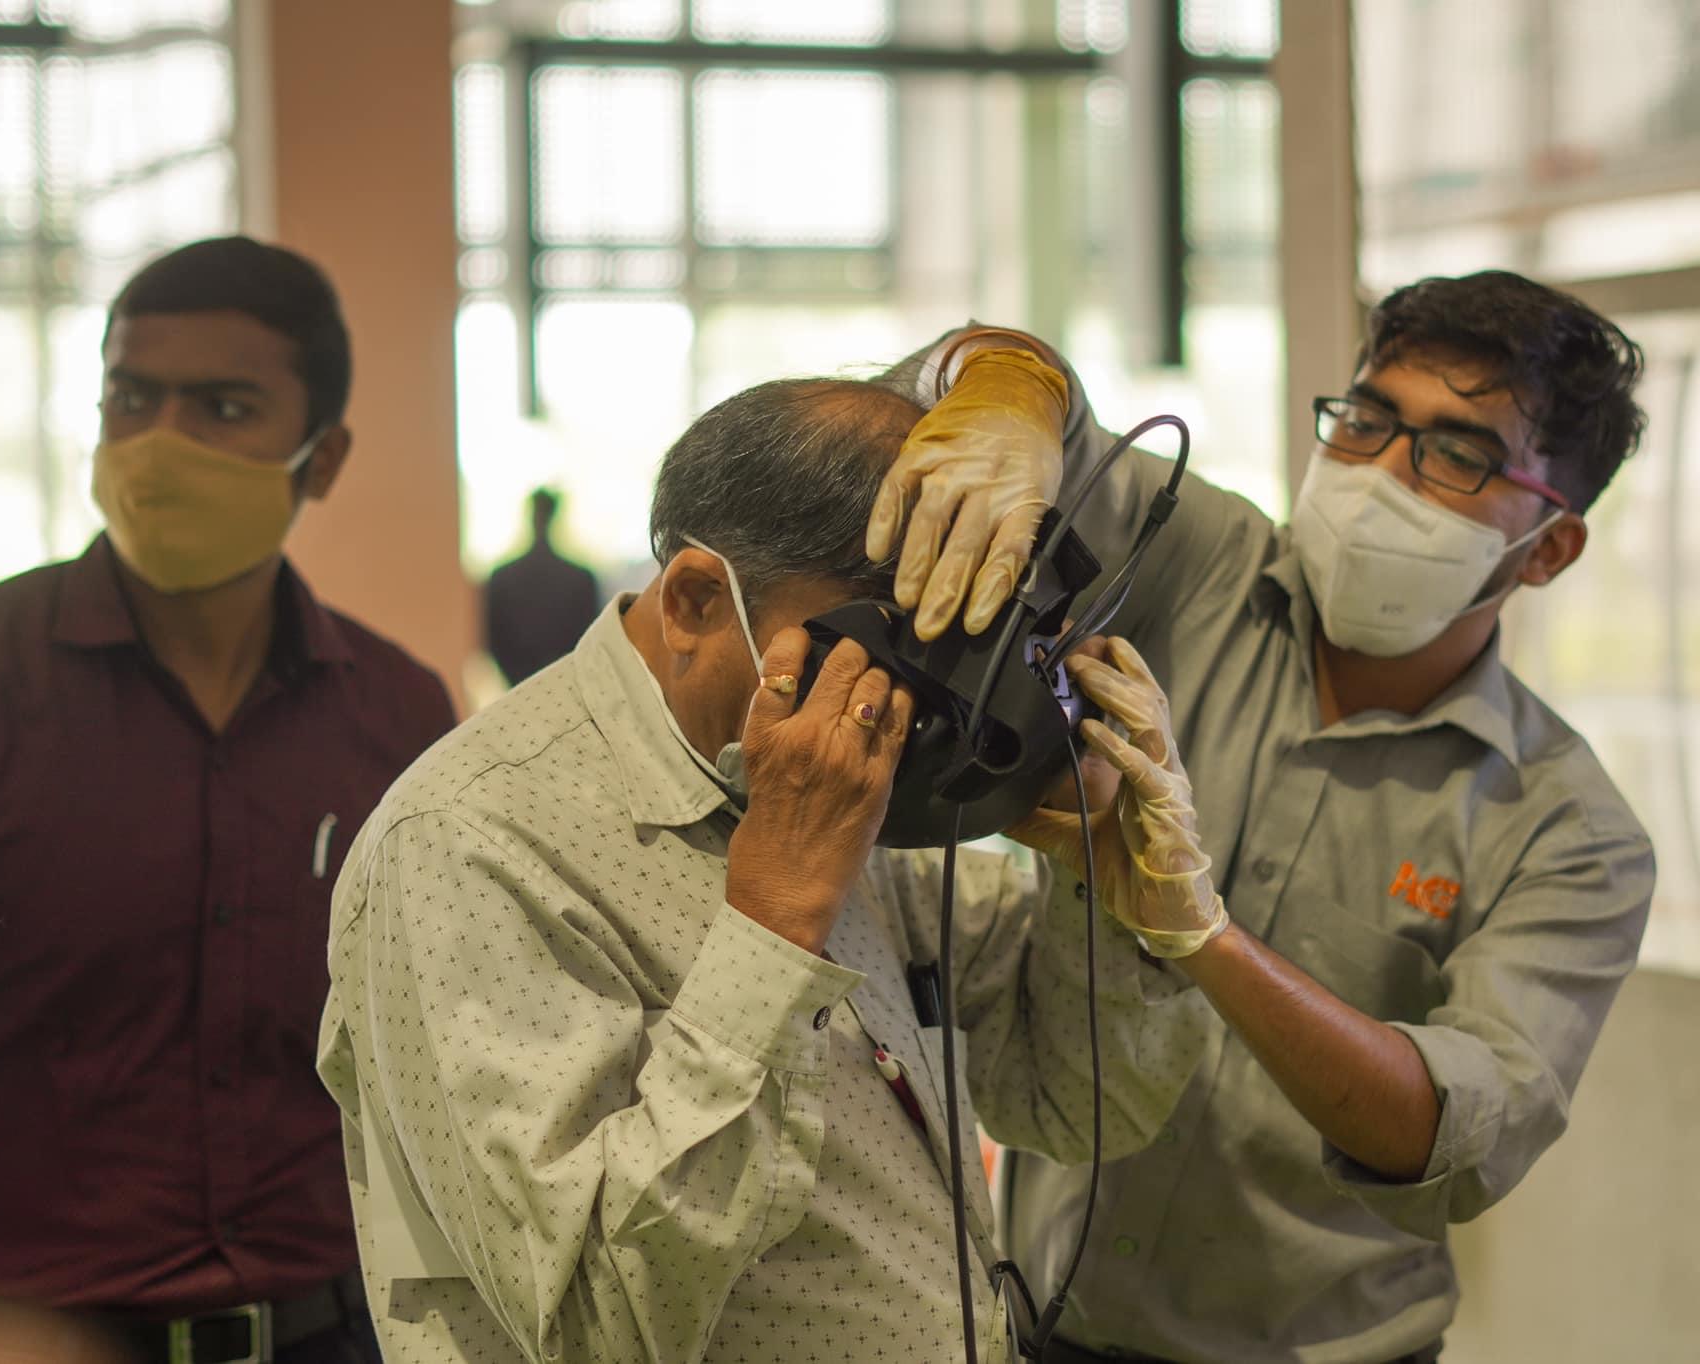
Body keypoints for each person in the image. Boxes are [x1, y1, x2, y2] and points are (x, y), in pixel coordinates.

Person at [315, 376, 1212, 1362]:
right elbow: (594, 1326)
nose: (922, 703)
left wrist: (1102, 886)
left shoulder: (840, 787)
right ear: (697, 600)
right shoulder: (468, 842)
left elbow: (1074, 1103)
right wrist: (775, 921)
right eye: (898, 642)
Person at [869, 272, 1658, 1363]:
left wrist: (1204, 936)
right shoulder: (1203, 561)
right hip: (1042, 1322)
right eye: (1368, 420)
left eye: (1456, 454)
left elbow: (1456, 1138)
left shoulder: (1567, 828)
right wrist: (1008, 383)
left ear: (1550, 548)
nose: (1382, 473)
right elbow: (1049, 420)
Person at [0, 237, 456, 1362]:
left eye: (223, 407)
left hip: (333, 1330)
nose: (162, 442)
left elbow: (438, 1046)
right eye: (131, 398)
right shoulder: (0, 676)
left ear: (322, 457)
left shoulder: (395, 713)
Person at [482, 487, 599, 686]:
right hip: (563, 682)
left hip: (520, 683)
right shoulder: (580, 577)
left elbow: (494, 641)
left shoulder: (503, 576)